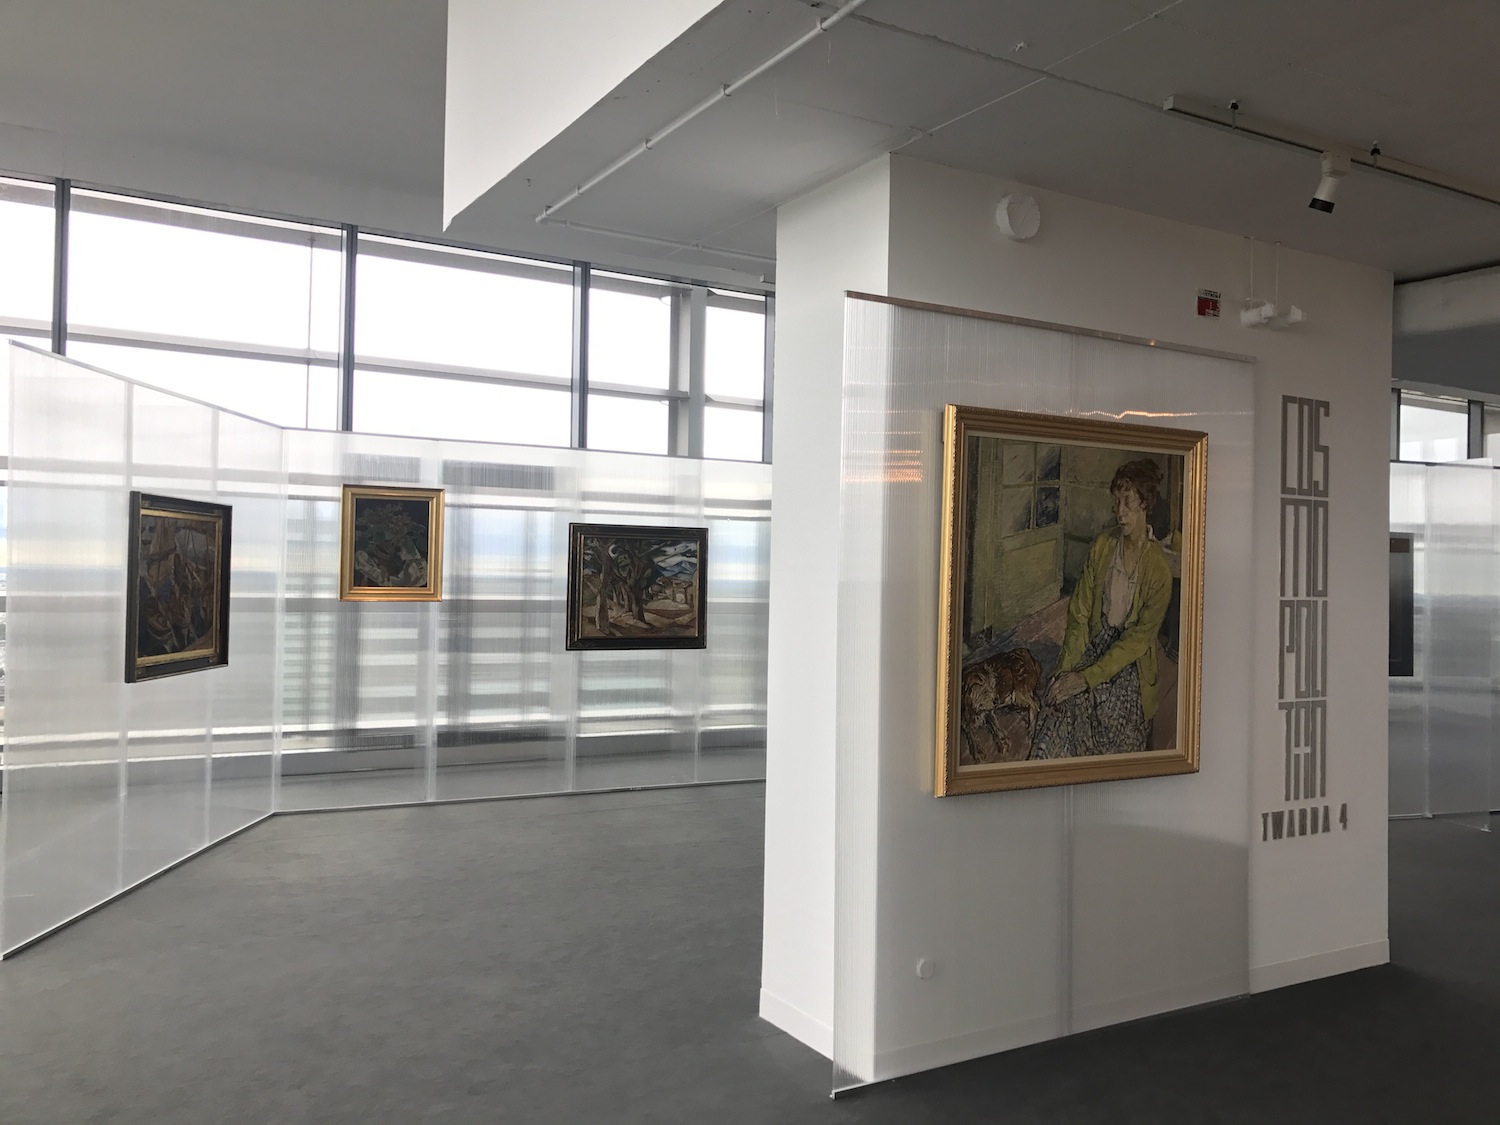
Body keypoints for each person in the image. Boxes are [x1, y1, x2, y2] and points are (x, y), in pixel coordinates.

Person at [1031, 459, 1173, 758]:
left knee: (1111, 722)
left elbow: (1137, 641)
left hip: (1129, 662)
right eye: (1116, 501)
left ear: (1144, 503)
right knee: (1057, 705)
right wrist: (1066, 669)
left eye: (1127, 502)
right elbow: (1080, 614)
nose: (1119, 511)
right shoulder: (1102, 546)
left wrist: (1086, 678)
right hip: (1096, 643)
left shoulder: (1158, 569)